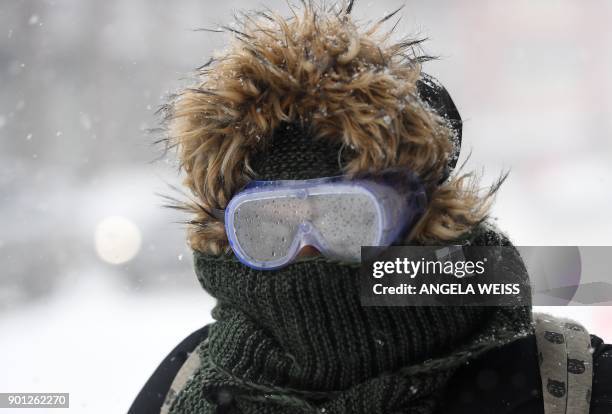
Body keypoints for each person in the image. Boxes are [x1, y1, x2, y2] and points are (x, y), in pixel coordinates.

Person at [130, 2, 611, 413]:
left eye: (345, 219)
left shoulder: (566, 383)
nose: (307, 252)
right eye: (269, 228)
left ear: (421, 224)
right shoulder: (185, 385)